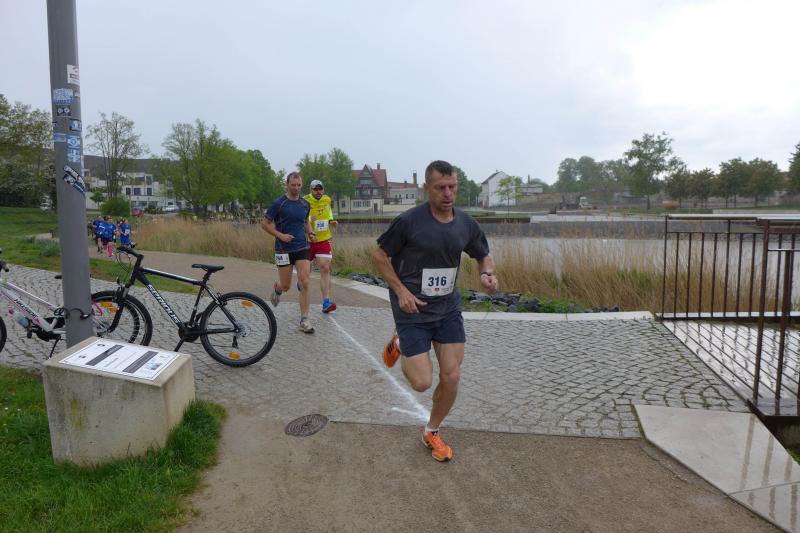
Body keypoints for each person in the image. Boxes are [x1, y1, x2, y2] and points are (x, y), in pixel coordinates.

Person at [372, 160, 499, 462]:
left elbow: (483, 255)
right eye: (441, 187)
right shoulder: (409, 222)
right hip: (412, 309)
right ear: (426, 188)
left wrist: (487, 274)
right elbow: (378, 255)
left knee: (452, 376)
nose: (448, 193)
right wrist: (401, 291)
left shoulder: (466, 223)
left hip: (447, 309)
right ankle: (401, 341)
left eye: (452, 187)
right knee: (422, 383)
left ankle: (432, 431)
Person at [261, 171, 317, 334]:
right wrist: (280, 235)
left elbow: (305, 221)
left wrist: (311, 233)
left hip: (302, 247)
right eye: (293, 185)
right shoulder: (279, 203)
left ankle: (304, 320)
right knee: (286, 286)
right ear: (287, 184)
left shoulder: (305, 204)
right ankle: (278, 288)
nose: (296, 188)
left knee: (305, 281)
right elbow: (264, 224)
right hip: (283, 249)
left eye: (299, 185)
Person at [304, 179, 338, 313]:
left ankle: (326, 303)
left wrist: (331, 221)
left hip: (323, 239)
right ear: (311, 190)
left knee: (325, 268)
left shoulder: (327, 200)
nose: (318, 191)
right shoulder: (305, 201)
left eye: (320, 189)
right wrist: (308, 220)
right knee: (305, 273)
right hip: (307, 241)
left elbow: (328, 213)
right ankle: (301, 280)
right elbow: (301, 218)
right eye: (315, 189)